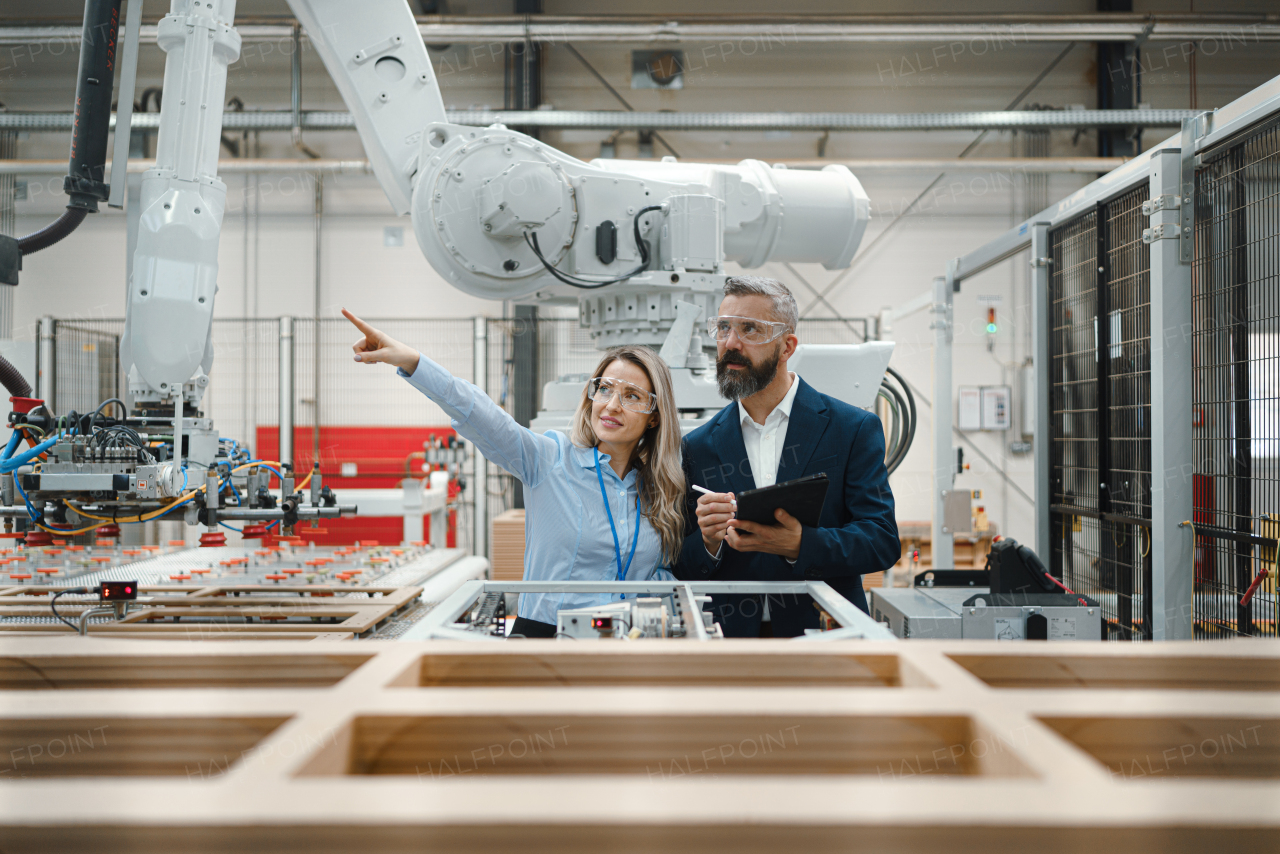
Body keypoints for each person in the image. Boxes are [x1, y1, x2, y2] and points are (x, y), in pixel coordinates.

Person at [343, 309, 686, 638]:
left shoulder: (657, 486)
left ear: (654, 415)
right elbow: (482, 414)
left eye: (631, 396)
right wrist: (412, 361)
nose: (612, 405)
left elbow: (655, 573)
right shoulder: (549, 460)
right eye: (606, 388)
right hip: (547, 638)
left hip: (631, 639)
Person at [672, 277, 899, 638]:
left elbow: (881, 539)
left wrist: (800, 545)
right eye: (723, 328)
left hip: (825, 637)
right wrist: (708, 542)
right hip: (728, 641)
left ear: (786, 346)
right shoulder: (698, 445)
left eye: (750, 329)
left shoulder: (852, 429)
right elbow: (678, 560)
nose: (731, 343)